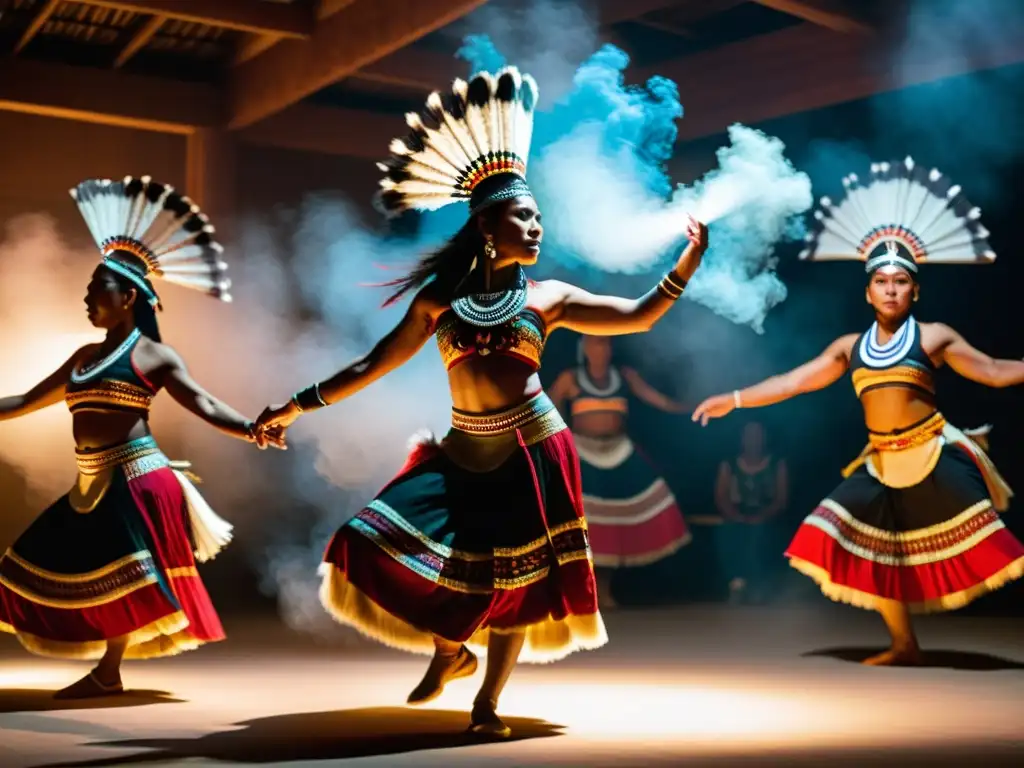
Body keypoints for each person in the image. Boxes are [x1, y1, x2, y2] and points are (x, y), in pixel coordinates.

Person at [256, 66, 708, 735]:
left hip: (532, 450)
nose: (537, 228)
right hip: (464, 452)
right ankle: (450, 651)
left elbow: (637, 317)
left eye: (540, 218)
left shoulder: (546, 298)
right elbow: (370, 364)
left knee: (515, 581)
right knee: (367, 541)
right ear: (489, 225)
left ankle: (487, 704)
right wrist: (293, 407)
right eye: (525, 216)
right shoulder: (439, 301)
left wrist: (685, 266)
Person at [693, 157, 1024, 665]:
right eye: (882, 281)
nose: (891, 289)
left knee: (991, 543)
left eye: (901, 282)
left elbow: (997, 371)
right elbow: (793, 382)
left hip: (933, 455)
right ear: (867, 290)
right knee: (866, 544)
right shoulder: (850, 347)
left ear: (916, 289)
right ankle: (903, 644)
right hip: (881, 462)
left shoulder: (934, 336)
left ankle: (909, 641)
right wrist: (734, 399)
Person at [0, 176, 284, 699]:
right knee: (34, 559)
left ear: (128, 295)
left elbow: (201, 402)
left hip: (138, 480)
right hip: (92, 480)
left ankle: (108, 671)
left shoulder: (154, 356)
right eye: (87, 289)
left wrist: (250, 428)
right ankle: (108, 671)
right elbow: (22, 401)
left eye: (96, 288)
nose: (87, 296)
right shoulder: (84, 357)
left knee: (128, 573)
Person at [549, 335, 691, 608]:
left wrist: (689, 407)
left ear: (610, 349)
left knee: (615, 522)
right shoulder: (571, 377)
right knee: (584, 523)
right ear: (584, 349)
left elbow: (657, 399)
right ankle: (582, 590)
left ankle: (605, 589)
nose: (599, 349)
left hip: (619, 450)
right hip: (582, 452)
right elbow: (546, 407)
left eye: (604, 344)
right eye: (593, 343)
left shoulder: (624, 376)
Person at [713, 421, 788, 604]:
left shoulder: (777, 463)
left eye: (757, 435)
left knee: (761, 533)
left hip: (766, 514)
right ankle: (737, 584)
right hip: (736, 513)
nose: (753, 439)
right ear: (742, 438)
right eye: (749, 435)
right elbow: (721, 496)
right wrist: (736, 516)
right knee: (729, 531)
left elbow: (781, 499)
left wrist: (762, 516)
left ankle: (758, 585)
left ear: (764, 438)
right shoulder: (729, 464)